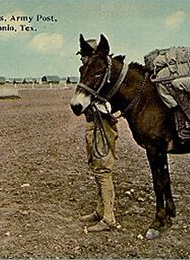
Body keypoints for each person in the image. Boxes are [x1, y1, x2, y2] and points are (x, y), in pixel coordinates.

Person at [76, 38, 119, 232]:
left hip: (102, 125)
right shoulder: (89, 74)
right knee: (97, 169)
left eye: (85, 54)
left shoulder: (103, 77)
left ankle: (109, 217)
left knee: (103, 172)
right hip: (93, 125)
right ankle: (100, 210)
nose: (83, 58)